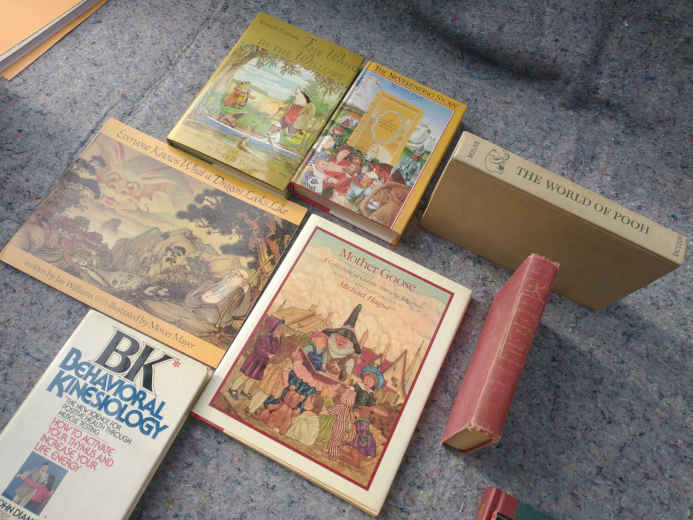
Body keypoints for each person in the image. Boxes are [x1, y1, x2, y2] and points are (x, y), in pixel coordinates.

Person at [229, 316, 285, 400]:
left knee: (253, 379)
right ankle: (233, 388)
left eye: (281, 330)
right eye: (279, 329)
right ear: (272, 329)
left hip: (263, 363)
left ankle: (245, 391)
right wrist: (268, 354)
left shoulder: (276, 342)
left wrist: (278, 343)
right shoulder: (263, 338)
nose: (281, 332)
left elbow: (275, 352)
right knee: (245, 376)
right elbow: (259, 349)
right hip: (255, 361)